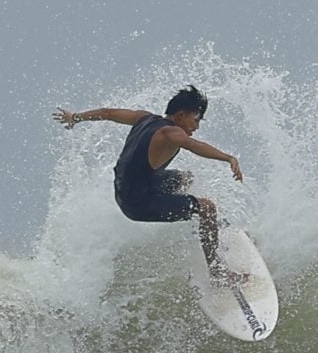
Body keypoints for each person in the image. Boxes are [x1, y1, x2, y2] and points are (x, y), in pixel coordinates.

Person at [52, 85, 247, 285]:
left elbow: (107, 113)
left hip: (127, 190)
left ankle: (204, 229)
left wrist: (75, 117)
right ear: (180, 115)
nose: (196, 127)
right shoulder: (170, 133)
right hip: (139, 203)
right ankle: (217, 272)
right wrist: (228, 158)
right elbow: (194, 145)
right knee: (207, 207)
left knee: (186, 178)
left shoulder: (144, 118)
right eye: (195, 119)